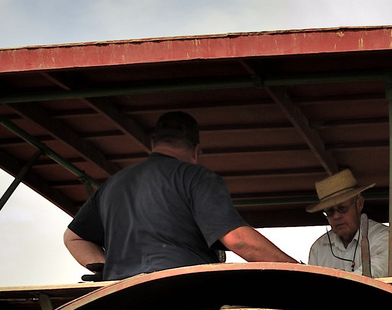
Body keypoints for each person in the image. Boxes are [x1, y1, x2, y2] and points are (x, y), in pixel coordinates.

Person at [63, 112, 295, 280]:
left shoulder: (111, 184)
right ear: (195, 150)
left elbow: (73, 238)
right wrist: (297, 269)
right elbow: (238, 240)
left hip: (122, 293)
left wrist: (108, 268)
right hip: (183, 292)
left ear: (153, 144)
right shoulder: (196, 176)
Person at [306, 169, 390, 278]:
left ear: (359, 204)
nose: (336, 216)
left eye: (342, 208)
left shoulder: (383, 237)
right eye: (330, 211)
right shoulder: (318, 248)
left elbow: (376, 271)